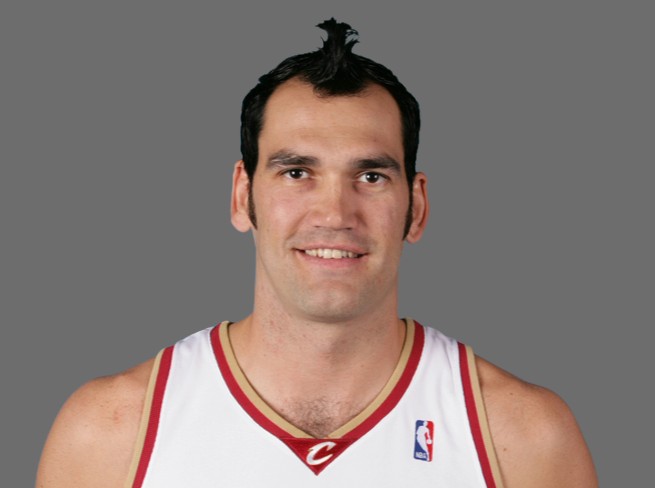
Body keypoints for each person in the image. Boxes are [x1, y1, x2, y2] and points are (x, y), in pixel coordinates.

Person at [36, 19, 598, 487]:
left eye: (371, 176)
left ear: (417, 207)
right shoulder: (109, 434)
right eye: (297, 173)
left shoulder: (523, 439)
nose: (334, 213)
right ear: (242, 196)